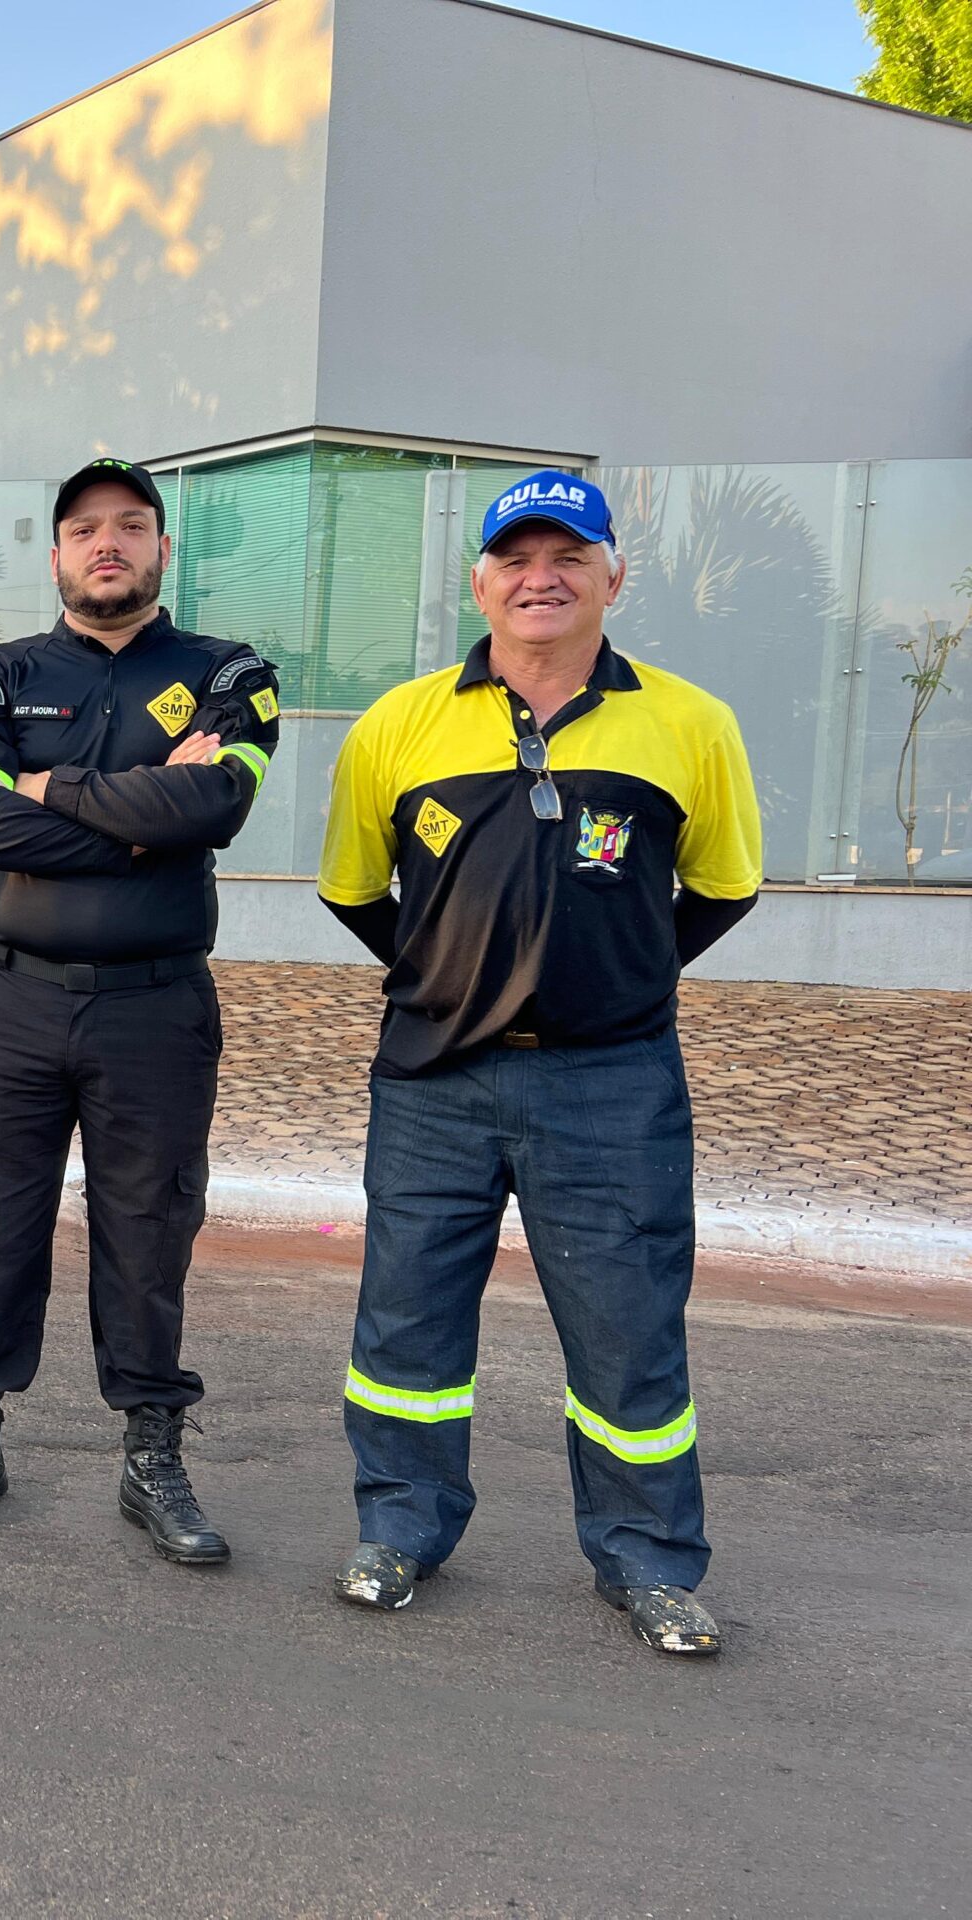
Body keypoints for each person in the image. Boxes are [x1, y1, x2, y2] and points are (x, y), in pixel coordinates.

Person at [317, 472, 761, 1658]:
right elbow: (354, 891)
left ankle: (647, 1559)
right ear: (480, 583)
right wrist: (456, 980)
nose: (540, 578)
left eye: (569, 555)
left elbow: (721, 888)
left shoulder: (690, 724)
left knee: (628, 1329)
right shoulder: (397, 724)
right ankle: (399, 1528)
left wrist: (611, 982)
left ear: (614, 576)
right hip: (433, 1083)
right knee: (405, 1326)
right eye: (516, 557)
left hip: (611, 1086)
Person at [0, 457, 278, 1564]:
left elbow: (215, 804)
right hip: (11, 1000)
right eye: (86, 528)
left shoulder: (227, 672)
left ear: (162, 549)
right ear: (56, 555)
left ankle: (152, 1455)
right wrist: (141, 821)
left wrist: (44, 786)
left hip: (155, 1008)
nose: (109, 543)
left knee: (149, 1228)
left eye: (131, 526)